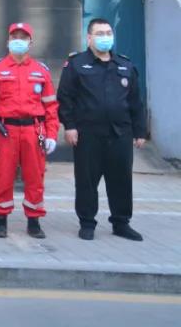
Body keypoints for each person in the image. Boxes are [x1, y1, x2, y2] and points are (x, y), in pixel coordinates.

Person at [58, 18, 147, 241]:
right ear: (89, 38)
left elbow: (135, 102)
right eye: (99, 33)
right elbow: (65, 98)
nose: (105, 37)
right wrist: (69, 126)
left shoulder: (125, 65)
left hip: (120, 134)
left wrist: (140, 131)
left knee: (121, 181)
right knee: (87, 181)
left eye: (108, 33)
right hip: (88, 134)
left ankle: (121, 223)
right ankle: (87, 223)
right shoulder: (76, 64)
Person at [0, 22, 59, 239]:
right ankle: (1, 220)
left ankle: (34, 221)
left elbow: (51, 106)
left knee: (35, 176)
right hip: (5, 130)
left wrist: (52, 134)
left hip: (33, 130)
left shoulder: (41, 71)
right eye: (14, 37)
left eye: (23, 37)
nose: (18, 41)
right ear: (8, 41)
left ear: (30, 42)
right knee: (3, 175)